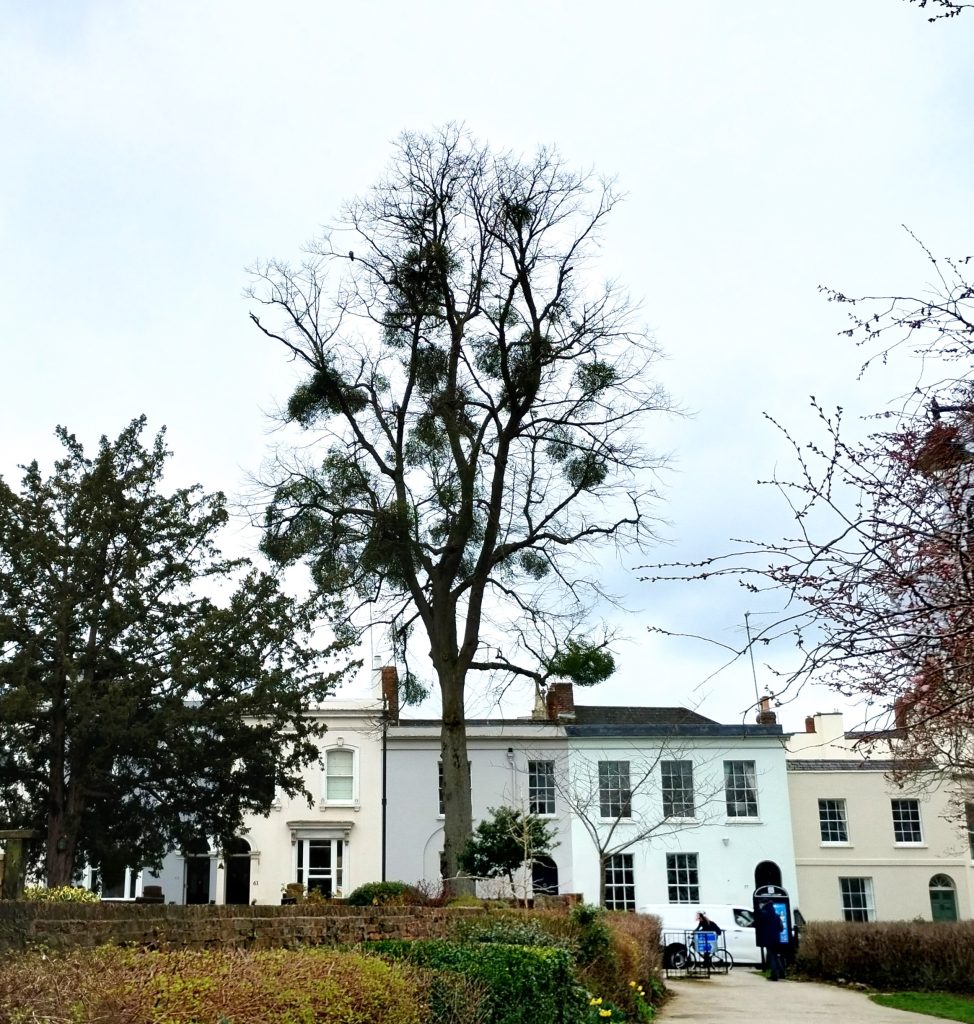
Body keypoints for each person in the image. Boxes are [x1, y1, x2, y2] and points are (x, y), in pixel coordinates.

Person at [755, 901, 785, 981]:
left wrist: (757, 906)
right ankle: (782, 973)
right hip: (776, 939)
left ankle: (774, 975)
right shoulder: (777, 916)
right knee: (775, 956)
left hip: (768, 939)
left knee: (772, 956)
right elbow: (781, 928)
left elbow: (758, 919)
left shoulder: (764, 915)